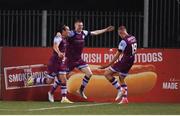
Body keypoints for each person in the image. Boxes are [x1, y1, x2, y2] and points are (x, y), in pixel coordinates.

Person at [66, 19, 114, 99]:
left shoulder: (83, 33)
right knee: (62, 78)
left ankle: (80, 90)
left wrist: (105, 30)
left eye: (81, 25)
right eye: (79, 25)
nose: (80, 27)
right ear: (75, 26)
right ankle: (51, 92)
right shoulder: (71, 34)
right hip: (69, 60)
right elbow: (62, 36)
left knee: (89, 74)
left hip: (79, 60)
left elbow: (95, 32)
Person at [26, 24, 73, 103]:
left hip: (61, 62)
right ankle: (34, 80)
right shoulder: (58, 37)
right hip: (54, 62)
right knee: (49, 81)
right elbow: (55, 46)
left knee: (63, 79)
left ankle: (64, 98)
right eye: (67, 30)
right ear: (63, 31)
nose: (69, 31)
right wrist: (58, 52)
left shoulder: (65, 38)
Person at [100, 26, 137, 104]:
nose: (119, 35)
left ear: (121, 32)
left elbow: (117, 55)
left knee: (107, 74)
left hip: (124, 61)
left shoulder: (123, 41)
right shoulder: (133, 37)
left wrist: (107, 65)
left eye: (119, 34)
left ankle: (120, 90)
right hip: (131, 60)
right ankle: (124, 99)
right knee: (121, 78)